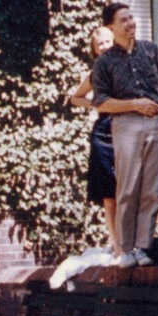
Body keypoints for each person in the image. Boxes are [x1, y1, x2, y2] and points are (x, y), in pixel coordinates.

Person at [90, 2, 158, 268]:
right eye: (124, 20)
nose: (131, 23)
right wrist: (134, 104)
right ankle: (124, 249)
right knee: (127, 187)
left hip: (155, 122)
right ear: (111, 26)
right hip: (125, 124)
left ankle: (142, 246)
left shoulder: (151, 50)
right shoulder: (104, 62)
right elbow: (101, 102)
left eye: (131, 17)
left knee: (152, 189)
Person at [67, 25, 119, 257]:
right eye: (101, 44)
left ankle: (130, 242)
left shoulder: (127, 67)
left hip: (126, 131)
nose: (106, 46)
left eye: (109, 41)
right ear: (95, 50)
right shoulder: (95, 74)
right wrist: (95, 104)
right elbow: (75, 97)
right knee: (109, 194)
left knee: (128, 191)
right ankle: (117, 244)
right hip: (104, 134)